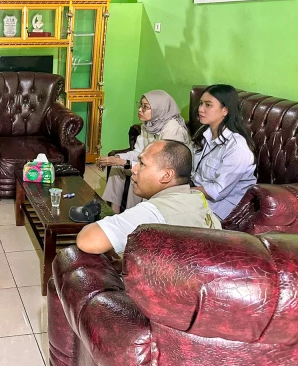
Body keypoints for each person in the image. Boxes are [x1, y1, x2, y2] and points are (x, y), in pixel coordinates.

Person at [77, 140, 221, 255]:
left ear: (166, 175)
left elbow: (88, 240)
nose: (134, 169)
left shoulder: (155, 211)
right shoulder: (196, 198)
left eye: (142, 164)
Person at [98, 90, 192, 213]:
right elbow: (138, 152)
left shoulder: (173, 130)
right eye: (140, 105)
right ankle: (113, 212)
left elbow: (162, 165)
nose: (140, 110)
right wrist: (116, 158)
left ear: (160, 109)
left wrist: (125, 162)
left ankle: (132, 215)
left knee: (138, 176)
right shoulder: (149, 124)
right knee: (117, 166)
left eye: (145, 107)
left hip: (167, 172)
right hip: (151, 165)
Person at [191, 84, 257, 219]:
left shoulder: (237, 147)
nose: (200, 109)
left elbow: (217, 191)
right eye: (201, 103)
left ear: (225, 110)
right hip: (196, 198)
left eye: (208, 105)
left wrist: (183, 193)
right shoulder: (204, 134)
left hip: (219, 210)